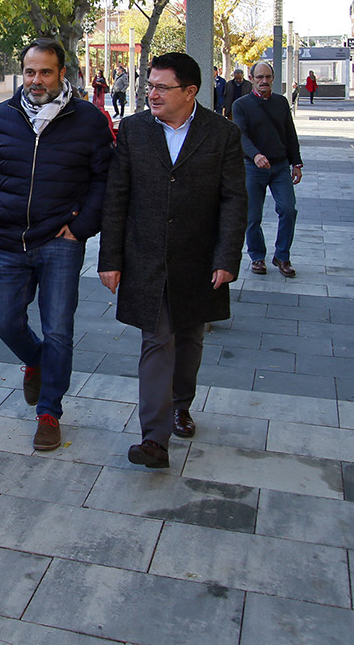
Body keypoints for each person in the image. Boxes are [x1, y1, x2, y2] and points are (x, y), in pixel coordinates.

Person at [98, 53, 246, 469]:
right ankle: (154, 438)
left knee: (190, 338)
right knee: (156, 339)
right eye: (150, 86)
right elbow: (117, 197)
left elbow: (234, 201)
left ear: (190, 91)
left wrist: (227, 257)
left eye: (162, 87)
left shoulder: (222, 135)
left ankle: (182, 402)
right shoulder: (133, 130)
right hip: (146, 255)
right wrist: (110, 258)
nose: (152, 93)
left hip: (198, 258)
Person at [0, 38, 112, 451]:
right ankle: (35, 361)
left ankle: (49, 412)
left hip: (60, 241)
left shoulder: (88, 119)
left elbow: (104, 180)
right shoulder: (4, 115)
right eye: (30, 71)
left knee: (58, 330)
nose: (36, 80)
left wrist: (82, 227)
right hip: (10, 238)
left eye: (45, 72)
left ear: (62, 73)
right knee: (4, 321)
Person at [233, 62, 304, 278]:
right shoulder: (241, 105)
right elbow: (241, 136)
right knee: (252, 216)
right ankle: (257, 256)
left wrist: (297, 163)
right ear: (252, 78)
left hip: (280, 166)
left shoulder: (281, 103)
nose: (264, 81)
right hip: (252, 168)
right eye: (259, 77)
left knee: (288, 209)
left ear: (273, 78)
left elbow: (290, 134)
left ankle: (282, 256)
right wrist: (256, 155)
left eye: (268, 77)